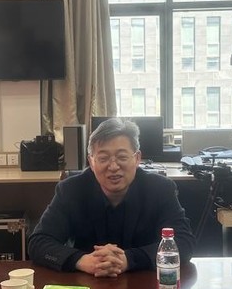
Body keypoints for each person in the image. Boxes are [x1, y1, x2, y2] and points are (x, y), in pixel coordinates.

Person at [28, 118, 195, 276]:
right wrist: (81, 260)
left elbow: (184, 242)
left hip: (145, 283)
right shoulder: (71, 190)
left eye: (122, 157)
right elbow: (38, 242)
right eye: (103, 158)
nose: (113, 167)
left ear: (137, 158)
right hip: (87, 284)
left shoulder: (160, 189)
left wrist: (129, 259)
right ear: (91, 162)